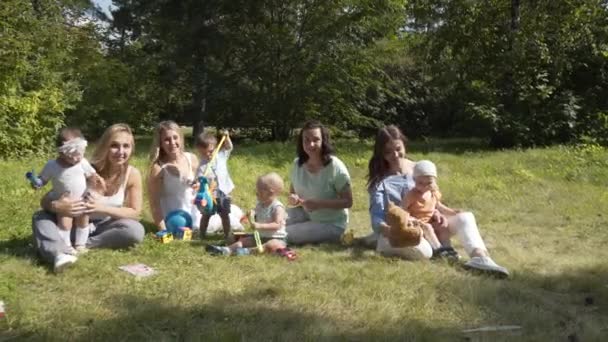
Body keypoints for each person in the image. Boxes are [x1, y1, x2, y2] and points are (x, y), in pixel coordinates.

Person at [367, 125, 509, 277]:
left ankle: (481, 259)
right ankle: (435, 250)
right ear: (381, 153)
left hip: (429, 223)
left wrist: (437, 212)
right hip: (401, 231)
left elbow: (433, 198)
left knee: (465, 217)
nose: (395, 155)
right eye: (388, 152)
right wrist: (393, 230)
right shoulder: (380, 182)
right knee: (425, 252)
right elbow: (377, 219)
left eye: (398, 148)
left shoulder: (421, 169)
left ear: (403, 144)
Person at [32, 124, 145, 272]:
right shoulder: (82, 166)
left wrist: (100, 208)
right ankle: (58, 253)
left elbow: (134, 211)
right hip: (70, 223)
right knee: (40, 218)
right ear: (105, 146)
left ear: (132, 149)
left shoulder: (132, 174)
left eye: (126, 146)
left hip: (103, 228)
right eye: (114, 146)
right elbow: (45, 200)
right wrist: (57, 206)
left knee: (134, 230)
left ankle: (73, 245)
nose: (121, 152)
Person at [33, 127, 105, 254]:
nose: (76, 159)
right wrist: (38, 183)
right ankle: (66, 246)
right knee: (65, 224)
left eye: (79, 155)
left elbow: (91, 175)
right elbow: (42, 180)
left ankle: (80, 244)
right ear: (61, 153)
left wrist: (96, 179)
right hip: (64, 202)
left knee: (83, 222)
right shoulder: (52, 166)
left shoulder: (82, 162)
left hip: (83, 199)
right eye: (72, 156)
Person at [285, 120, 353, 245]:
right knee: (271, 219)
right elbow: (292, 193)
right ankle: (248, 237)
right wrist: (293, 198)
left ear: (323, 141)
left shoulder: (335, 166)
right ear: (301, 142)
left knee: (284, 233)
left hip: (331, 223)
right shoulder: (297, 164)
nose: (311, 144)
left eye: (316, 140)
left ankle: (254, 241)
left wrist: (319, 204)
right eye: (306, 140)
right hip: (306, 214)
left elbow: (348, 202)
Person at [206, 172, 287, 256]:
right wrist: (252, 215)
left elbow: (277, 225)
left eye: (259, 191)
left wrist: (260, 226)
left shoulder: (277, 207)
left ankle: (248, 251)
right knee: (243, 240)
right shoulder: (260, 204)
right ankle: (227, 249)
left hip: (276, 238)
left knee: (270, 245)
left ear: (270, 192)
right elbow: (259, 215)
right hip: (261, 236)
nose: (256, 193)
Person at [148, 121, 201, 232]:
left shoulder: (192, 158)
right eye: (167, 140)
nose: (172, 142)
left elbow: (199, 187)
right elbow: (154, 204)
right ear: (160, 144)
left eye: (175, 137)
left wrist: (200, 186)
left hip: (195, 212)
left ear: (181, 138)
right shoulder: (158, 168)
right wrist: (163, 229)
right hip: (174, 218)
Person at [404, 160, 460, 260]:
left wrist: (452, 212)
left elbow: (439, 206)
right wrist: (410, 219)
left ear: (435, 181)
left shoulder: (433, 193)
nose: (425, 186)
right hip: (417, 224)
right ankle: (438, 249)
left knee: (443, 225)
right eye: (420, 183)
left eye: (429, 183)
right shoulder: (411, 195)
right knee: (428, 227)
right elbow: (402, 209)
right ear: (414, 180)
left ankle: (447, 247)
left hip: (429, 221)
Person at [195, 130, 234, 241]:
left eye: (211, 151)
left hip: (223, 193)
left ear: (216, 147)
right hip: (210, 195)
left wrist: (227, 138)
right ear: (199, 152)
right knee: (206, 215)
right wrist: (197, 183)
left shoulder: (221, 156)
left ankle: (227, 234)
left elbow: (229, 147)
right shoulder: (202, 165)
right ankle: (202, 234)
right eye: (204, 153)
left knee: (225, 215)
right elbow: (199, 178)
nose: (208, 155)